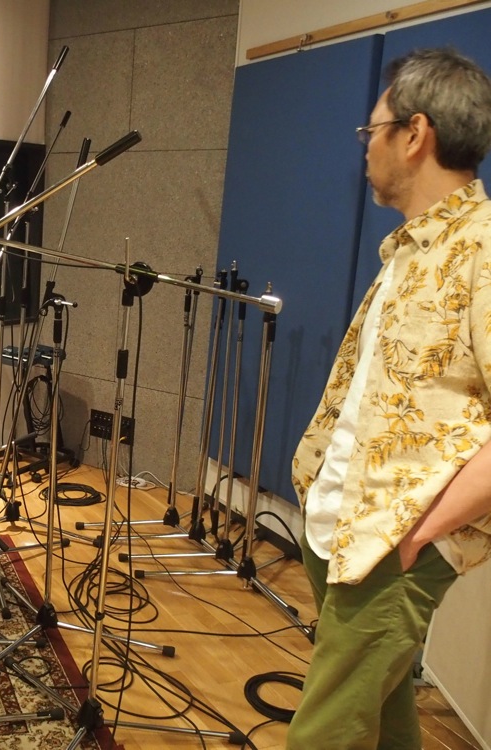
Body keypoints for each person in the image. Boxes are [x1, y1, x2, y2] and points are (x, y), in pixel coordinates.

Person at [288, 48, 491, 749]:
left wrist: (418, 534)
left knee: (323, 735)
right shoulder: (414, 248)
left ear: (414, 134)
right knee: (382, 722)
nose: (365, 146)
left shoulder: (483, 250)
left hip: (391, 547)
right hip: (346, 532)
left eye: (371, 130)